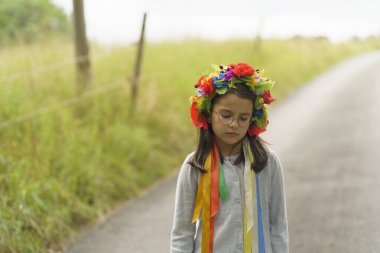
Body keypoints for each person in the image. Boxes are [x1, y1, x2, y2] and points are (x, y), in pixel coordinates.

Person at [170, 63, 288, 253]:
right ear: (208, 114)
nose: (234, 124)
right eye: (226, 115)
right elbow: (182, 234)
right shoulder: (194, 166)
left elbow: (278, 226)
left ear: (252, 118)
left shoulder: (268, 162)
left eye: (243, 118)